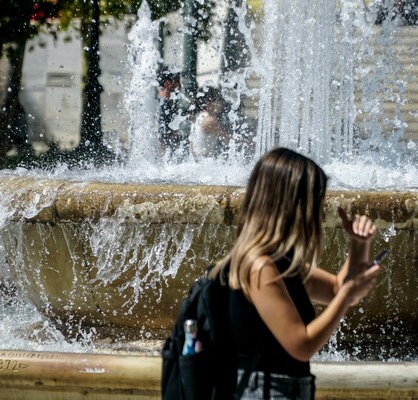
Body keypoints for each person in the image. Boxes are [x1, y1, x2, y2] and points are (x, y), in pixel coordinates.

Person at [209, 147, 383, 399]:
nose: (322, 216)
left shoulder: (281, 263)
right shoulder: (261, 268)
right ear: (291, 206)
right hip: (265, 392)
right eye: (316, 205)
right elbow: (301, 345)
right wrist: (346, 294)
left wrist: (359, 244)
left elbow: (335, 288)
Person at [189, 86, 230, 159]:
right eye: (219, 99)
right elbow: (229, 141)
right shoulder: (210, 121)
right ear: (208, 102)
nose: (221, 103)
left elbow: (192, 145)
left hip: (198, 161)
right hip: (205, 162)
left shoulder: (198, 117)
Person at [157, 68, 183, 154]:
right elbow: (164, 139)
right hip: (163, 153)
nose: (180, 86)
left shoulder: (156, 102)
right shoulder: (164, 105)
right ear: (168, 83)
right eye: (177, 82)